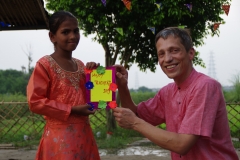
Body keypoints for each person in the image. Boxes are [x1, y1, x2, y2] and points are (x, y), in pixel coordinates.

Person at [113, 27, 238, 159]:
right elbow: (136, 114)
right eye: (161, 54)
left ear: (190, 53)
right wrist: (122, 86)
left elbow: (182, 145)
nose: (167, 59)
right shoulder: (167, 92)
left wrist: (135, 123)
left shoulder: (205, 86)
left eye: (174, 51)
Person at [27, 11, 100, 160]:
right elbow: (35, 102)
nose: (73, 36)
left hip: (84, 136)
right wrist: (72, 110)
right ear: (52, 37)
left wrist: (94, 76)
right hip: (59, 140)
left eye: (76, 31)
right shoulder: (45, 65)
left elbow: (94, 100)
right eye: (65, 32)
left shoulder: (80, 65)